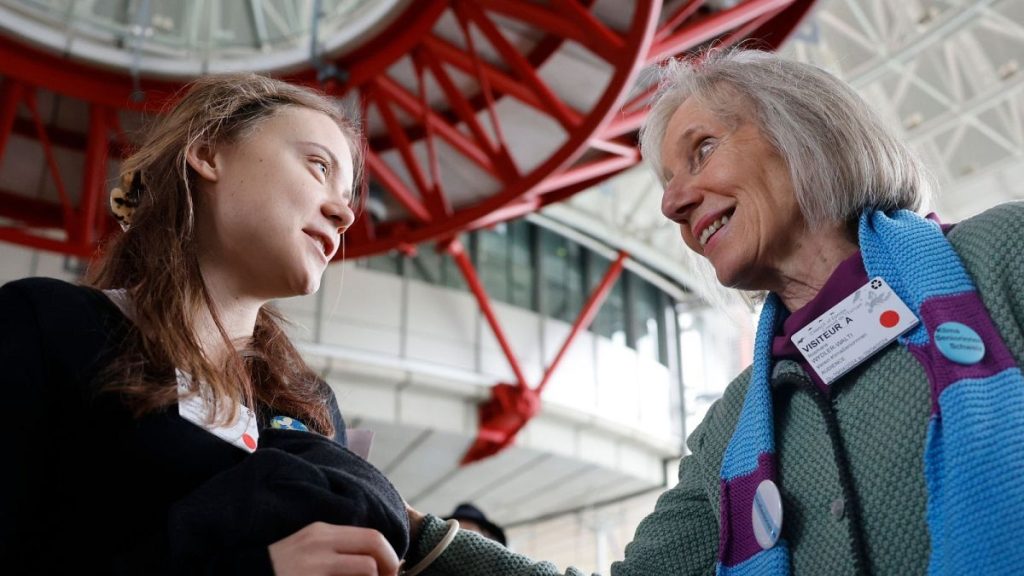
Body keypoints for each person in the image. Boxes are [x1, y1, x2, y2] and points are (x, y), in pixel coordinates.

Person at [399, 47, 1024, 575]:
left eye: (701, 151)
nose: (671, 202)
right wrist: (420, 533)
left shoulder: (1001, 257)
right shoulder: (730, 429)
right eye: (667, 182)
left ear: (808, 135)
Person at [1, 74, 408, 575]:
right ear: (207, 154)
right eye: (317, 166)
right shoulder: (47, 325)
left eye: (348, 195)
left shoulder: (315, 409)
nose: (345, 214)